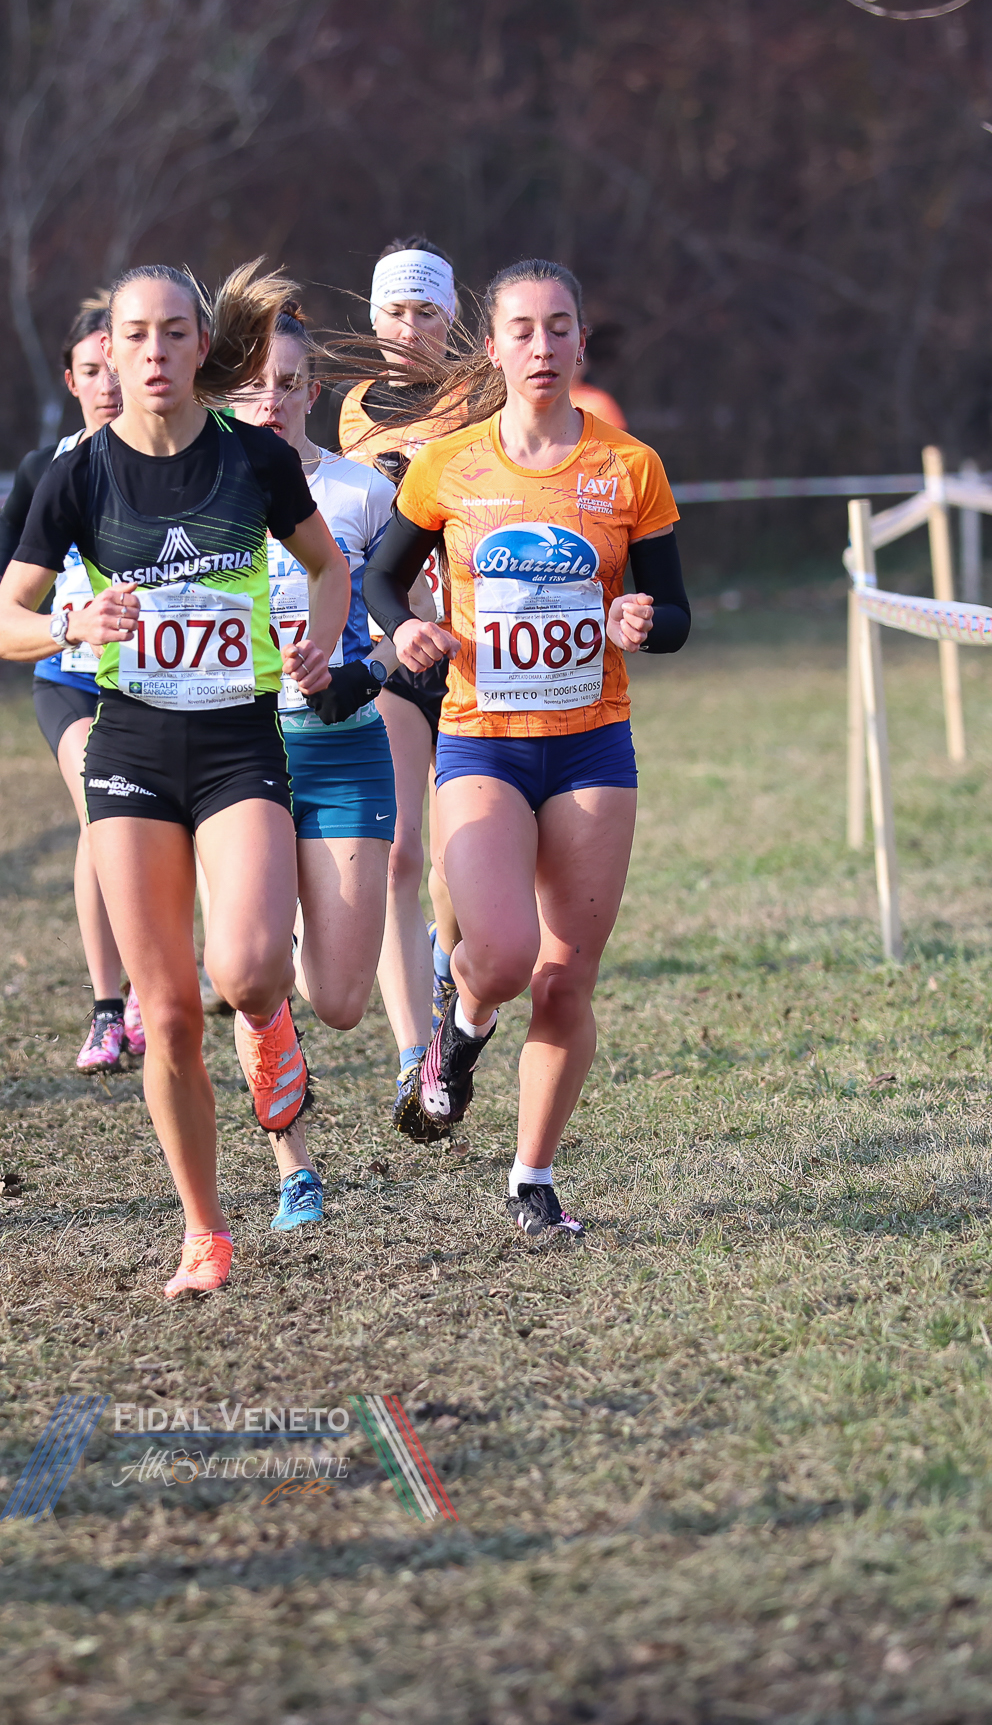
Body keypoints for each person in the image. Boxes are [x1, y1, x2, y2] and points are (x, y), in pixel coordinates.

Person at [0, 261, 355, 1299]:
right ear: (111, 349)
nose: (153, 354)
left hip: (237, 746)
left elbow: (329, 568)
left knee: (247, 970)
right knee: (172, 1012)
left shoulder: (253, 458)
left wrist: (320, 643)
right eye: (135, 336)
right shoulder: (78, 475)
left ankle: (271, 1029)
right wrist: (71, 622)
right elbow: (1, 624)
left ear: (201, 346)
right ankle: (204, 1232)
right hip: (133, 755)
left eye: (173, 333)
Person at [361, 259, 691, 1239]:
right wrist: (405, 630)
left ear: (580, 342)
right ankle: (460, 1034)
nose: (541, 346)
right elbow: (381, 578)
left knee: (564, 979)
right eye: (522, 329)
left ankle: (532, 1176)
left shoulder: (631, 466)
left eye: (558, 328)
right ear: (493, 347)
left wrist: (642, 619)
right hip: (483, 741)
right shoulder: (448, 465)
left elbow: (676, 611)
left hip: (592, 747)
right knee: (500, 956)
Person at [227, 306, 398, 1232]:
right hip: (237, 756)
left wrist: (357, 673)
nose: (272, 401)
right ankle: (292, 1166)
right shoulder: (199, 493)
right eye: (254, 385)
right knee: (253, 974)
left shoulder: (362, 492)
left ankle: (286, 964)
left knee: (337, 1001)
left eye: (288, 383)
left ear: (313, 391)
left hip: (342, 748)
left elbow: (414, 630)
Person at [0, 295, 141, 1071]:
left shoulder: (166, 462)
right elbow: (7, 541)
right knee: (101, 810)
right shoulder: (47, 468)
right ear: (72, 381)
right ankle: (109, 1007)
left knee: (147, 825)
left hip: (147, 676)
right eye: (92, 371)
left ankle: (148, 988)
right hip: (67, 674)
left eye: (117, 368)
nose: (109, 385)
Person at [329, 238, 465, 1131]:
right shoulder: (349, 411)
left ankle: (450, 970)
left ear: (450, 317)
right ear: (373, 315)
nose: (407, 328)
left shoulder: (482, 399)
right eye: (393, 311)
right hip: (390, 646)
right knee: (400, 848)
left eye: (424, 312)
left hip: (476, 647)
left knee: (461, 858)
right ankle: (416, 1053)